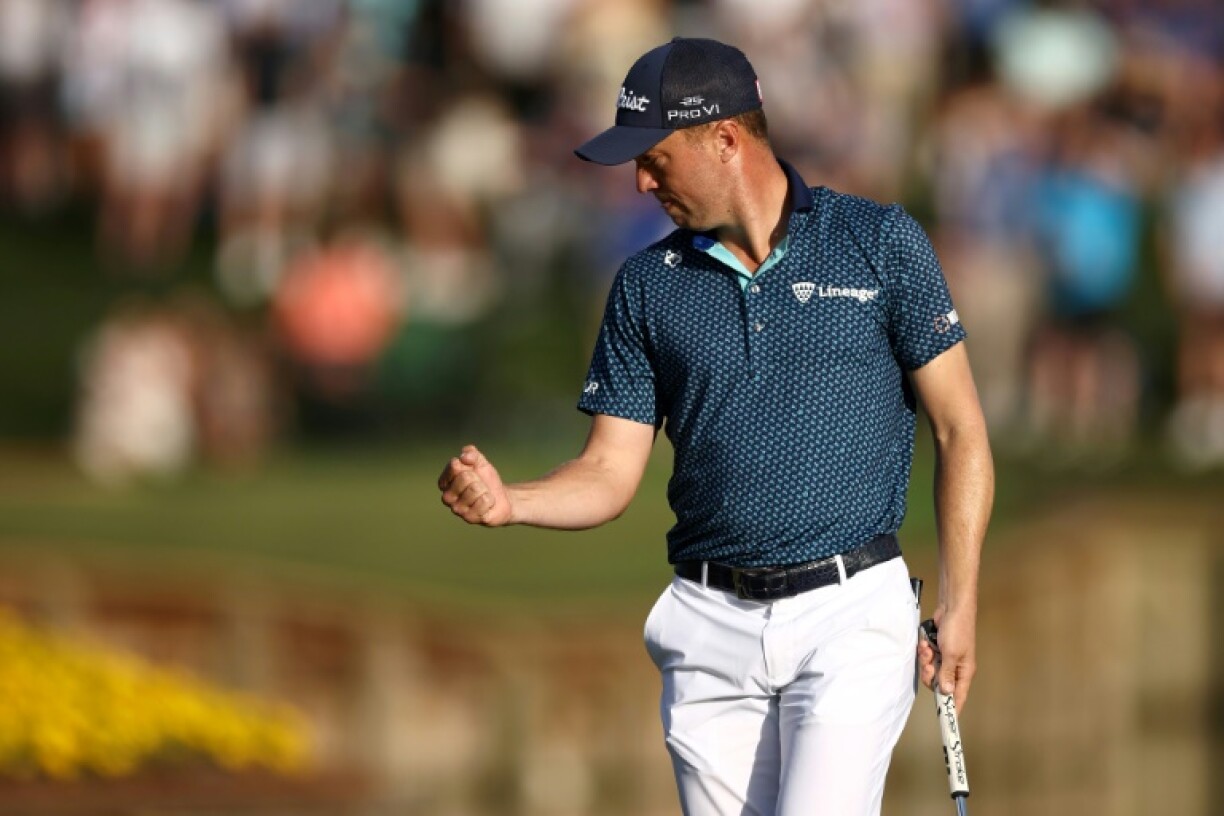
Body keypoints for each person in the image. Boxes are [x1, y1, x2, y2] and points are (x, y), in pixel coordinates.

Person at [438, 37, 993, 816]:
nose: (641, 181)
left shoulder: (876, 242)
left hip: (850, 614)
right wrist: (512, 502)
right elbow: (608, 471)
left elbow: (960, 431)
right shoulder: (646, 286)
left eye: (655, 159)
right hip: (706, 629)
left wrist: (961, 602)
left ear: (725, 139)